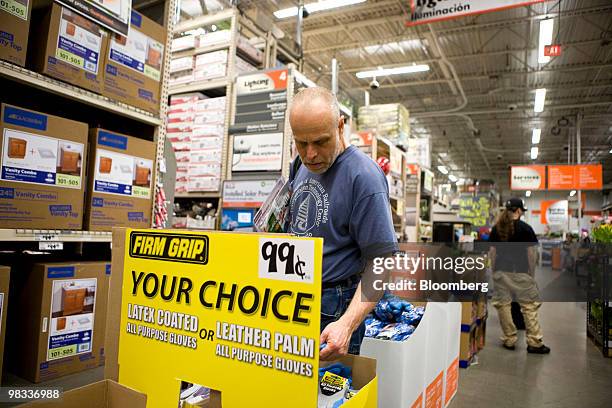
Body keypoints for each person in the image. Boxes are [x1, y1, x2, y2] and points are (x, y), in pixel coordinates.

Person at [288, 87, 398, 361]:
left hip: (334, 306)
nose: (310, 154)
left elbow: (382, 262)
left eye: (320, 142)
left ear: (340, 126)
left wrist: (346, 324)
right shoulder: (299, 165)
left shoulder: (364, 177)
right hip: (293, 298)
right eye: (301, 143)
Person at [488, 197, 550, 354]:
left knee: (503, 306)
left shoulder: (496, 229)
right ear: (518, 211)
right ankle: (534, 342)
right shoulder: (526, 229)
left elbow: (492, 252)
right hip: (520, 272)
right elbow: (531, 254)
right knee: (529, 306)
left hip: (501, 271)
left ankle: (509, 339)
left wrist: (495, 270)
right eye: (521, 210)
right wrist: (531, 273)